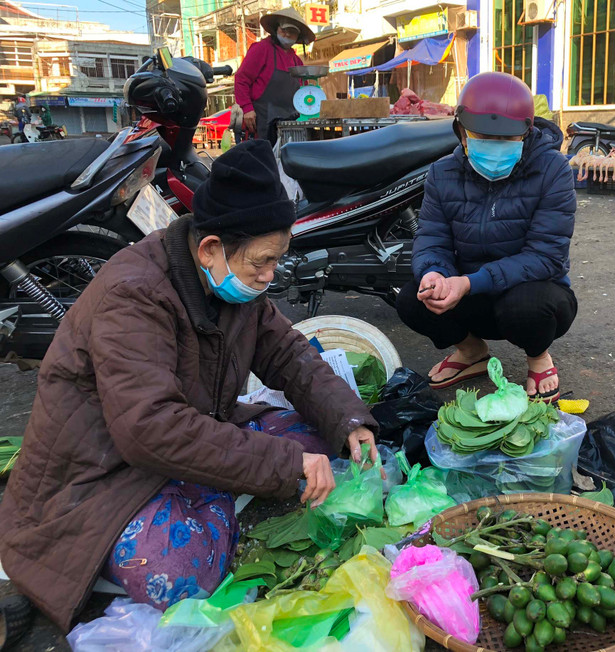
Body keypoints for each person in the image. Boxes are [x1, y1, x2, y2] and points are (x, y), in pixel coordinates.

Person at [0, 140, 379, 630]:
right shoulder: (133, 295)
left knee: (317, 441)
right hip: (102, 476)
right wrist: (280, 465)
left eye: (276, 260)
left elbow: (288, 353)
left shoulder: (234, 283)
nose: (270, 276)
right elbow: (149, 428)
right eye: (262, 262)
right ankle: (203, 507)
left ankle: (213, 495)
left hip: (190, 438)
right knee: (178, 572)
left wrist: (347, 419)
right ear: (210, 249)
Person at [395, 71, 577, 402]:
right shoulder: (441, 173)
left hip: (530, 293)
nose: (494, 147)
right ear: (461, 133)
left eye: (506, 139)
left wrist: (468, 283)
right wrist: (435, 273)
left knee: (527, 307)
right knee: (413, 298)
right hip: (470, 294)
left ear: (526, 132)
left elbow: (546, 256)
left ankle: (538, 355)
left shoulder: (553, 170)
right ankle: (471, 350)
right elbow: (432, 238)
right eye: (482, 137)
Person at [234, 7, 314, 143]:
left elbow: (304, 93)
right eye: (284, 29)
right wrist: (247, 109)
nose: (288, 34)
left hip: (290, 124)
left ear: (298, 36)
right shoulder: (261, 49)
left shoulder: (297, 61)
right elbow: (241, 80)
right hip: (262, 121)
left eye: (293, 32)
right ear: (276, 29)